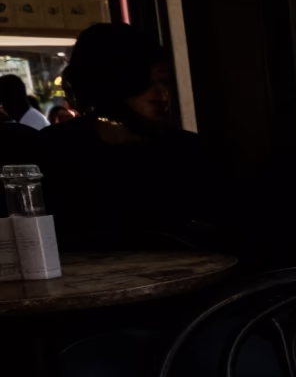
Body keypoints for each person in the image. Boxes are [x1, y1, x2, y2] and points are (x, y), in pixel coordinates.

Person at [37, 22, 222, 251]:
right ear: (114, 81)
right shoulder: (53, 149)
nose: (161, 93)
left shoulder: (188, 148)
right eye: (145, 82)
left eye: (164, 82)